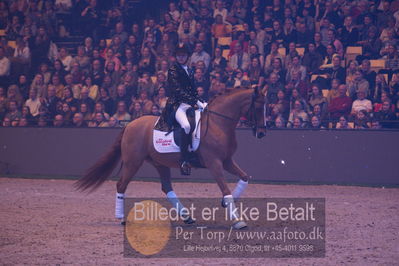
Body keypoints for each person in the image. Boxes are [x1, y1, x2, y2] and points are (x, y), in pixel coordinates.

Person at [163, 44, 207, 175]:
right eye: (178, 55)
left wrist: (201, 102)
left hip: (189, 104)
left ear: (187, 57)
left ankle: (196, 153)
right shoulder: (172, 70)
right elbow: (178, 91)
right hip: (176, 105)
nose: (181, 57)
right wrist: (196, 101)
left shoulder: (190, 70)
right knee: (186, 126)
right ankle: (184, 160)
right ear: (176, 57)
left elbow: (192, 90)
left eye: (183, 55)